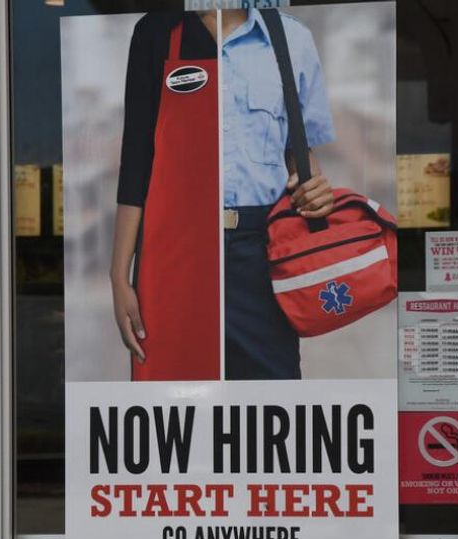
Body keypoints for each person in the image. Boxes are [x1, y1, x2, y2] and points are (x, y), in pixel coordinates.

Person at [111, 9, 336, 382]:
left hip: (262, 251)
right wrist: (119, 276)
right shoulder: (157, 33)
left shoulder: (291, 39)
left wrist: (316, 189)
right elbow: (137, 161)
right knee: (172, 405)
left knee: (271, 404)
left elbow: (299, 153)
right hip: (175, 247)